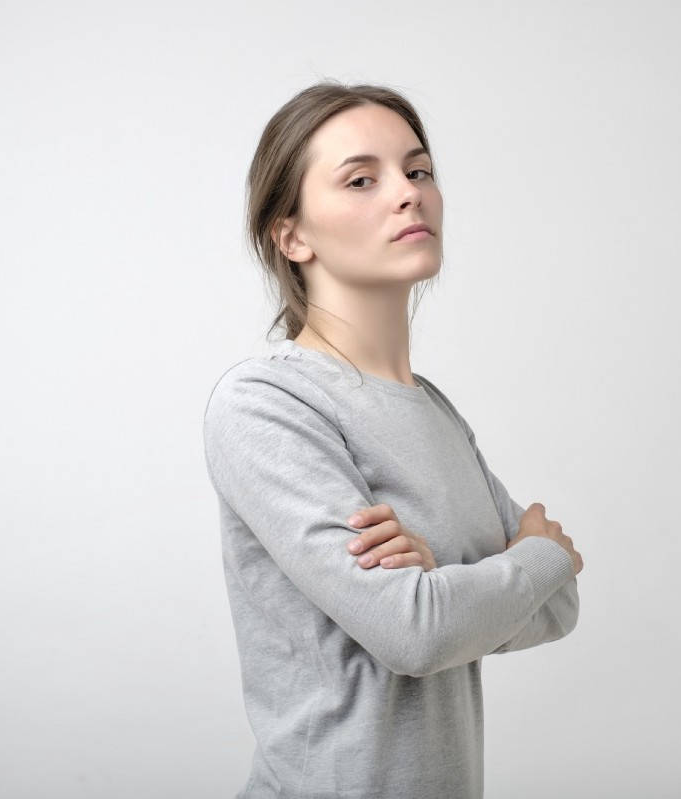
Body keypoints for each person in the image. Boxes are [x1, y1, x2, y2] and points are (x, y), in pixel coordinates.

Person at [202, 81, 584, 799]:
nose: (407, 194)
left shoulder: (434, 410)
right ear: (292, 235)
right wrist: (536, 555)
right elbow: (417, 633)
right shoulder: (267, 404)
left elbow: (558, 608)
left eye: (418, 170)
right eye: (360, 179)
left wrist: (443, 587)